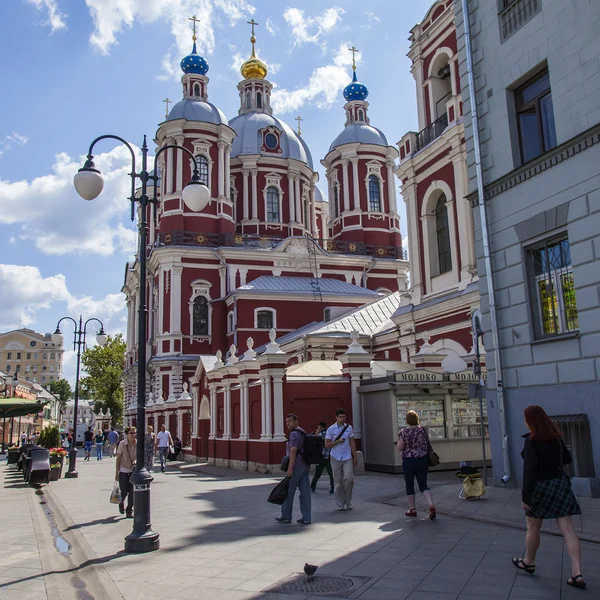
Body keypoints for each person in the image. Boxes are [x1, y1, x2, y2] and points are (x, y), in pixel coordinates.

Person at [512, 405, 585, 589]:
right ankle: (577, 573)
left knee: (533, 527)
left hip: (540, 487)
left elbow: (529, 471)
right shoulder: (556, 437)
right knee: (568, 529)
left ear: (530, 421)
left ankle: (529, 561)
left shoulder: (531, 441)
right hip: (559, 484)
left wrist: (525, 497)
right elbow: (567, 459)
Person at [397, 410, 436, 519]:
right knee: (423, 485)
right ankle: (431, 504)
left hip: (409, 461)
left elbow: (400, 447)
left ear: (407, 420)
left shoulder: (403, 432)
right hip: (422, 460)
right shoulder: (422, 430)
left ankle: (412, 509)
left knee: (409, 484)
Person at [276, 413, 311, 524]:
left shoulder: (294, 434)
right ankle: (306, 517)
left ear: (296, 421)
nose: (288, 424)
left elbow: (293, 451)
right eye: (286, 422)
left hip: (296, 467)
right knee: (305, 493)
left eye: (290, 421)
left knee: (288, 491)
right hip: (305, 466)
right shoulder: (302, 431)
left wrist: (290, 468)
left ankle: (286, 515)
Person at [325, 408, 357, 511]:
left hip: (347, 456)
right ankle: (340, 503)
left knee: (349, 479)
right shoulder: (331, 429)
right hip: (335, 456)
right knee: (338, 482)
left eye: (344, 417)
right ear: (336, 417)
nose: (342, 419)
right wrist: (337, 441)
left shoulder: (349, 428)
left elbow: (352, 442)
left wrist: (354, 456)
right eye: (340, 417)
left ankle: (348, 500)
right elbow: (327, 444)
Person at [115, 426, 136, 518]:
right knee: (124, 491)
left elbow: (140, 456)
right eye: (131, 433)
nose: (133, 435)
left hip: (133, 471)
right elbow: (118, 458)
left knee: (132, 492)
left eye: (134, 433)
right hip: (123, 471)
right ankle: (121, 502)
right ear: (127, 434)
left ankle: (129, 510)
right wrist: (117, 473)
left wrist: (136, 461)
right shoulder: (122, 444)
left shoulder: (137, 444)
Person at [311, 422, 334, 494]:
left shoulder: (320, 434)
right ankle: (332, 488)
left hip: (321, 457)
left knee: (317, 474)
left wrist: (316, 433)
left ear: (320, 427)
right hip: (328, 457)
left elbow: (313, 442)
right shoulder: (329, 434)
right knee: (331, 474)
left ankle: (312, 486)